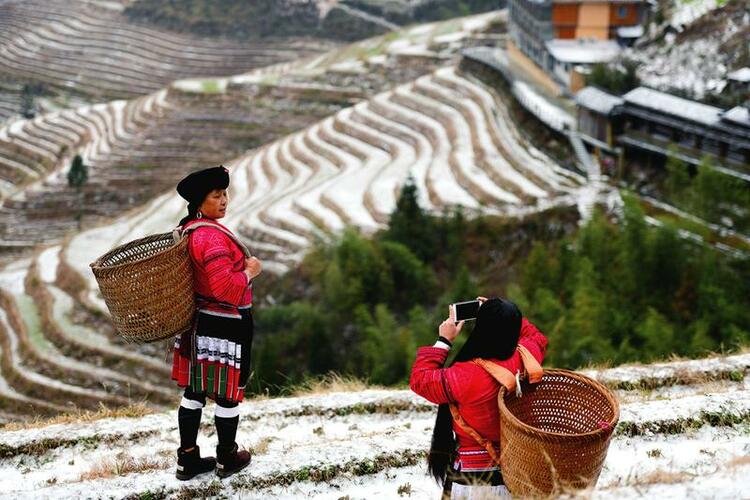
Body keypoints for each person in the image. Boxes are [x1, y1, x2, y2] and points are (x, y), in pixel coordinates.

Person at [170, 165, 263, 480]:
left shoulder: (191, 230)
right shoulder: (210, 238)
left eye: (225, 194)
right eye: (216, 195)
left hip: (198, 323)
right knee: (227, 392)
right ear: (200, 201)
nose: (224, 200)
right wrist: (250, 271)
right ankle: (227, 456)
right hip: (225, 323)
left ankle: (188, 459)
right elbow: (227, 287)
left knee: (195, 390)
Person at [410, 297, 548, 499]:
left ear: (482, 329)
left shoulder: (465, 375)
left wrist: (444, 340)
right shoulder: (526, 355)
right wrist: (507, 316)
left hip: (472, 480)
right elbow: (537, 336)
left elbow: (420, 380)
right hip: (519, 472)